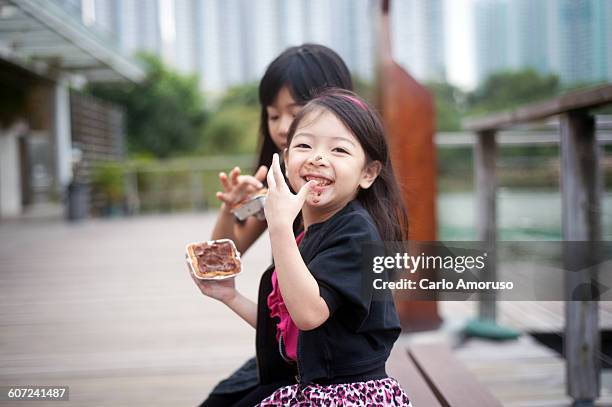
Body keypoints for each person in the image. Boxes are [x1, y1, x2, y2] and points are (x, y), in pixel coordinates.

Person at [191, 44, 353, 406]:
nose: (282, 128)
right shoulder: (277, 184)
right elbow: (220, 261)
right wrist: (230, 209)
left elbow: (319, 317)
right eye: (273, 115)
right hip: (288, 352)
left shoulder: (344, 195)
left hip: (331, 369)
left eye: (294, 114)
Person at [255, 89, 412, 405]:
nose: (318, 157)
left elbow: (309, 314)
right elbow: (288, 325)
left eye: (339, 149)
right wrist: (228, 295)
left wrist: (280, 227)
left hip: (347, 396)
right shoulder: (305, 234)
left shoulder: (356, 233)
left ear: (367, 173)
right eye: (304, 145)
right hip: (312, 389)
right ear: (286, 161)